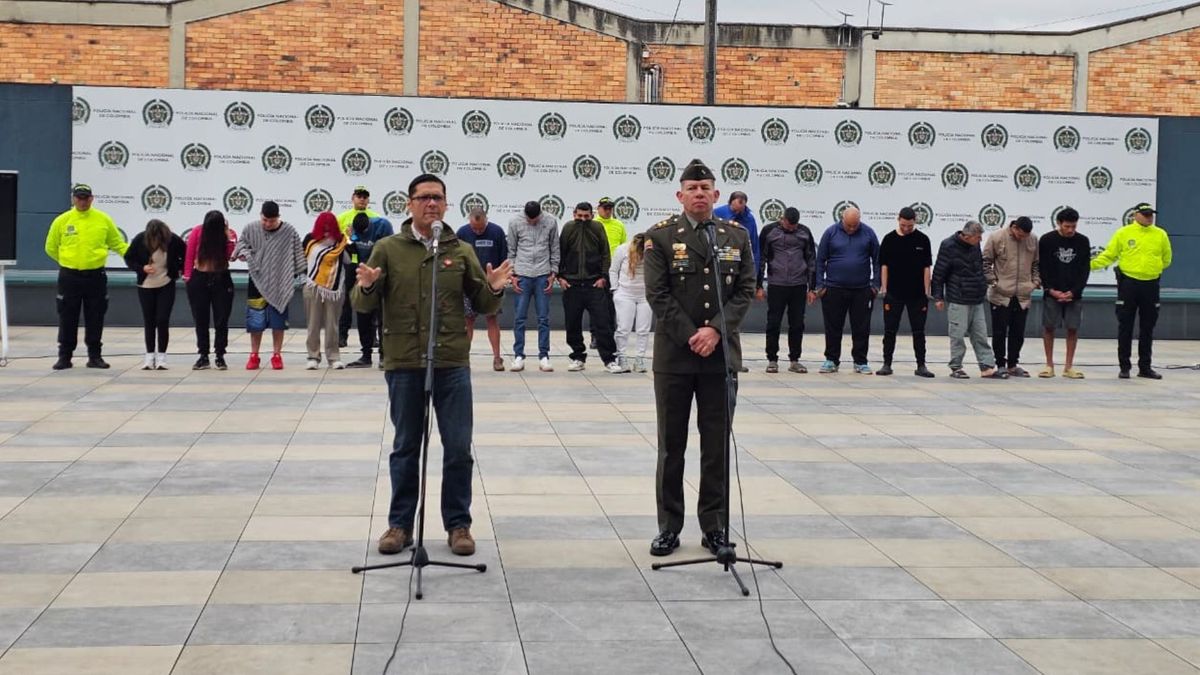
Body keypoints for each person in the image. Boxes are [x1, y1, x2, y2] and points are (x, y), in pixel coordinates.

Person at [352, 173, 513, 557]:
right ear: (409, 204)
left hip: (451, 361)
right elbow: (362, 303)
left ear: (446, 203)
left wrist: (492, 288)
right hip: (405, 361)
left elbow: (485, 305)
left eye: (438, 198)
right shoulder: (389, 249)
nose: (431, 204)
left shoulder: (460, 250)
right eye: (423, 198)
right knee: (407, 446)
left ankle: (458, 525)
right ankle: (400, 525)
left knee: (458, 447)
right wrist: (370, 285)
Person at [643, 159, 755, 557]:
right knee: (671, 447)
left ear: (717, 195)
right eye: (691, 187)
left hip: (719, 358)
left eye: (705, 187)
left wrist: (714, 331)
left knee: (716, 447)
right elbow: (658, 295)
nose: (699, 194)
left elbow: (745, 290)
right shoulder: (659, 237)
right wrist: (694, 334)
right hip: (675, 357)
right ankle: (669, 527)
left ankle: (715, 527)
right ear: (680, 195)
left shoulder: (735, 236)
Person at [44, 184, 129, 370]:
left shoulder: (103, 220)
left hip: (95, 276)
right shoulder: (62, 220)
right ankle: (64, 357)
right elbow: (50, 247)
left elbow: (118, 244)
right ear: (73, 199)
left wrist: (136, 258)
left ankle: (95, 356)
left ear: (91, 199)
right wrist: (68, 261)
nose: (82, 201)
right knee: (67, 316)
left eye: (85, 198)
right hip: (69, 276)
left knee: (96, 315)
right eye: (79, 197)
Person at [1091, 202, 1173, 379]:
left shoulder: (1160, 234)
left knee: (1148, 327)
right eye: (1145, 214)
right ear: (1135, 215)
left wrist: (1152, 269)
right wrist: (1089, 265)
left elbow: (1167, 259)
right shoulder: (1124, 233)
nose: (1149, 217)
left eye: (1151, 214)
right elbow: (1110, 255)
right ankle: (1124, 367)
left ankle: (1145, 367)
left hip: (1150, 284)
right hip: (1129, 284)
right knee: (1125, 326)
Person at [233, 201, 305, 371]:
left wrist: (301, 275)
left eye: (271, 221)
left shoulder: (289, 232)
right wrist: (244, 254)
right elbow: (241, 244)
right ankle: (254, 355)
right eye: (264, 220)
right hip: (256, 281)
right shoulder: (251, 228)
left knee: (278, 322)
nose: (267, 224)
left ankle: (277, 354)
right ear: (261, 216)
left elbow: (298, 254)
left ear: (278, 218)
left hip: (280, 282)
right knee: (255, 322)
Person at [932, 221, 1004, 379]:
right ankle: (956, 367)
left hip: (977, 297)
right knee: (957, 335)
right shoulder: (948, 245)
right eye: (978, 237)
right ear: (967, 236)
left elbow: (979, 267)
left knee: (980, 334)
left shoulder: (975, 245)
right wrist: (938, 296)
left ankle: (987, 366)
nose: (980, 240)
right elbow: (939, 273)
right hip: (958, 297)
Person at [814, 207, 880, 374]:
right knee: (833, 326)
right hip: (834, 289)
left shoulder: (868, 233)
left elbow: (877, 260)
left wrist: (875, 285)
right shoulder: (830, 233)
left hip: (862, 289)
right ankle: (831, 359)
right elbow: (820, 260)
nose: (851, 228)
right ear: (842, 219)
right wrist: (820, 285)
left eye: (855, 225)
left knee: (861, 327)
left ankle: (860, 361)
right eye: (848, 225)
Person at [559, 202, 622, 373]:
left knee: (603, 323)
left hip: (594, 284)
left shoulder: (597, 228)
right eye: (579, 216)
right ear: (574, 214)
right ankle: (578, 357)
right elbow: (560, 253)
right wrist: (561, 277)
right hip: (572, 285)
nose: (583, 219)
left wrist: (603, 277)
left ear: (592, 215)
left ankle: (609, 359)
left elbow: (605, 254)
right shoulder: (568, 228)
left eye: (586, 216)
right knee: (572, 324)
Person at [756, 206, 815, 374]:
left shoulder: (804, 232)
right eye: (789, 225)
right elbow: (761, 259)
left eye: (794, 226)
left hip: (798, 284)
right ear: (783, 219)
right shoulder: (769, 231)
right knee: (773, 323)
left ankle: (795, 360)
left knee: (797, 324)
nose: (792, 228)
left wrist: (812, 288)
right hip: (776, 284)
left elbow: (811, 259)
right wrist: (758, 286)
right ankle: (772, 359)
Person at [878, 207, 934, 378]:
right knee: (890, 330)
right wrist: (884, 288)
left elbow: (926, 267)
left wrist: (927, 291)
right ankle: (887, 364)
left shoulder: (923, 239)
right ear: (898, 220)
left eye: (909, 225)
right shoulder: (889, 239)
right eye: (903, 225)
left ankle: (921, 365)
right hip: (894, 293)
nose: (906, 228)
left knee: (918, 331)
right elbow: (884, 266)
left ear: (915, 221)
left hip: (917, 295)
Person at [123, 219, 185, 370]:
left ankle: (162, 357)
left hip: (166, 283)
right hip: (146, 285)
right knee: (149, 320)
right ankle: (149, 356)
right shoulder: (140, 239)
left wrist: (176, 270)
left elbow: (185, 255)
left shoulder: (172, 239)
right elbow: (129, 258)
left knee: (162, 319)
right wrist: (141, 268)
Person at [984, 216, 1040, 378]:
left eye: (1026, 236)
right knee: (999, 331)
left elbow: (1036, 264)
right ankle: (1000, 364)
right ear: (1014, 227)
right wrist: (994, 282)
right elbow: (986, 262)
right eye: (1021, 234)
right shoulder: (997, 237)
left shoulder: (1033, 239)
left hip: (1023, 295)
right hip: (1001, 294)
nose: (1023, 238)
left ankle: (1013, 364)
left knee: (1018, 332)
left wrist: (1035, 282)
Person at [507, 200, 559, 373]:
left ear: (540, 214)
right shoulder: (515, 222)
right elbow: (511, 250)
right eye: (529, 220)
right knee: (519, 318)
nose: (532, 223)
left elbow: (554, 248)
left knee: (543, 318)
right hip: (522, 273)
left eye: (535, 220)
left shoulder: (551, 221)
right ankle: (518, 356)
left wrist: (553, 273)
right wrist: (512, 274)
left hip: (543, 274)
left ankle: (544, 356)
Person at [1039, 207, 1090, 379]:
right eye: (1067, 226)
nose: (1070, 230)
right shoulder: (1047, 240)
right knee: (1049, 327)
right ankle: (1049, 365)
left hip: (1073, 294)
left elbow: (1085, 270)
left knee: (1073, 328)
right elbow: (1042, 268)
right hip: (1052, 292)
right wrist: (1051, 290)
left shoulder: (1083, 241)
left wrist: (1074, 292)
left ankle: (1068, 366)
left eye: (1074, 226)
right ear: (1059, 223)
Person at [184, 210, 237, 370]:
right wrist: (187, 276)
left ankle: (220, 355)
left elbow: (231, 256)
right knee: (201, 318)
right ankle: (203, 355)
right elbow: (189, 254)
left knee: (221, 319)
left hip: (221, 278)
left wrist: (228, 237)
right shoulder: (197, 231)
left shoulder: (228, 233)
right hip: (200, 277)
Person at [456, 208, 508, 372]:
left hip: (491, 285)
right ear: (469, 221)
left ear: (486, 220)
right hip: (469, 284)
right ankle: (464, 358)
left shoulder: (497, 231)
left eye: (481, 227)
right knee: (468, 321)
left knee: (492, 319)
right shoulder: (462, 233)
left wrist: (500, 280)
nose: (477, 231)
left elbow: (503, 257)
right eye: (474, 228)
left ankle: (497, 358)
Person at [714, 192, 759, 373]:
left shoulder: (749, 219)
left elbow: (754, 247)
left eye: (741, 207)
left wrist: (754, 275)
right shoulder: (718, 213)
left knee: (733, 320)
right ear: (730, 203)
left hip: (738, 272)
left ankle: (734, 362)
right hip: (719, 269)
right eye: (735, 207)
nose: (738, 211)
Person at [344, 212, 394, 369]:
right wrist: (351, 239)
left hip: (381, 277)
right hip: (363, 278)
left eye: (364, 232)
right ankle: (366, 356)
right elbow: (353, 253)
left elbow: (390, 252)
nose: (362, 236)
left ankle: (384, 355)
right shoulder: (354, 231)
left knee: (383, 318)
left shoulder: (382, 226)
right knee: (362, 316)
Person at [301, 212, 349, 370]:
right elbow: (303, 260)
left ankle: (333, 357)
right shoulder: (310, 240)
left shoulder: (341, 241)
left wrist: (348, 242)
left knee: (332, 324)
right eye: (324, 225)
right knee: (313, 323)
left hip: (335, 288)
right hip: (312, 286)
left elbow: (348, 261)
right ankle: (313, 356)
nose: (327, 229)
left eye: (330, 225)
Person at [337, 186, 381, 349]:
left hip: (369, 264)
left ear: (368, 200)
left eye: (365, 197)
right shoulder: (342, 218)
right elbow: (336, 240)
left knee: (371, 302)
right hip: (350, 264)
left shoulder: (376, 218)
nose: (362, 199)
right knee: (346, 301)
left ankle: (373, 337)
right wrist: (347, 237)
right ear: (352, 198)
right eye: (359, 196)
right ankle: (342, 336)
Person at [610, 232, 651, 373]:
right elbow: (613, 270)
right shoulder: (623, 249)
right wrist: (615, 289)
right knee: (623, 328)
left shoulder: (652, 250)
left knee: (643, 329)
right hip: (625, 293)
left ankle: (639, 358)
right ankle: (621, 357)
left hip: (645, 295)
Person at [593, 196, 627, 350]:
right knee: (595, 304)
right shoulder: (594, 224)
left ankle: (610, 333)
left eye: (610, 208)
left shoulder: (618, 225)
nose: (607, 210)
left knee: (612, 304)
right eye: (605, 207)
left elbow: (624, 246)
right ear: (598, 208)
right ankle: (595, 336)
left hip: (615, 270)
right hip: (596, 270)